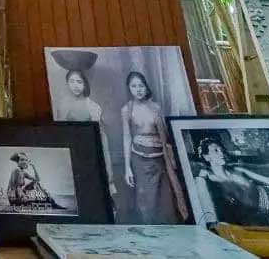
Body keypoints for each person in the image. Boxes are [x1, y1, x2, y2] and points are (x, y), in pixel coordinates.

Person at [120, 71, 187, 223]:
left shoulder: (156, 107)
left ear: (146, 87)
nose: (138, 89)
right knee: (146, 202)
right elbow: (127, 137)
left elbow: (166, 136)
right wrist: (127, 168)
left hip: (161, 159)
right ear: (129, 88)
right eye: (134, 86)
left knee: (166, 200)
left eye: (141, 85)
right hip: (140, 161)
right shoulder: (126, 110)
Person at [51, 67, 117, 196]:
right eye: (72, 81)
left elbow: (102, 138)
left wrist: (108, 171)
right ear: (67, 83)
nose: (75, 86)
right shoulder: (62, 106)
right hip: (71, 155)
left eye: (79, 82)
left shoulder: (93, 107)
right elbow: (59, 135)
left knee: (93, 192)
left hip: (90, 154)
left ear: (85, 84)